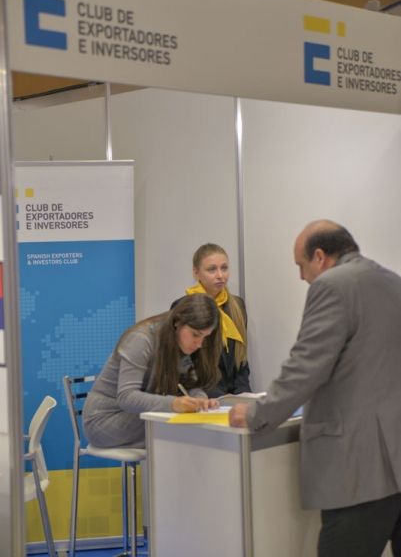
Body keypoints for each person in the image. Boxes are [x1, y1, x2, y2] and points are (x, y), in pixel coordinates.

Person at [229, 220, 401, 557]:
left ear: (319, 257)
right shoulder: (392, 281)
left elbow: (305, 366)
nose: (301, 276)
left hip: (360, 467)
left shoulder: (332, 285)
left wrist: (256, 414)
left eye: (301, 265)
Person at [82, 294, 221, 449]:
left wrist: (200, 400)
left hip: (135, 416)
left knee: (183, 428)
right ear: (177, 321)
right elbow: (126, 397)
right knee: (179, 429)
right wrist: (173, 403)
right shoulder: (141, 339)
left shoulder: (179, 342)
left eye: (205, 337)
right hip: (103, 421)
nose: (199, 344)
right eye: (195, 334)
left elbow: (190, 385)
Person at [171, 243, 251, 398]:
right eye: (212, 270)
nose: (220, 275)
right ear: (196, 273)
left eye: (224, 268)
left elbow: (241, 358)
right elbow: (183, 363)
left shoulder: (237, 305)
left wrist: (242, 393)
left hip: (235, 396)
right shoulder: (182, 307)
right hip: (202, 396)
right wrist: (217, 397)